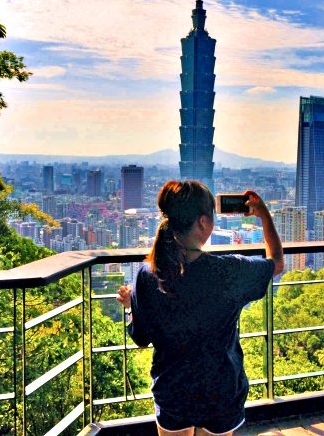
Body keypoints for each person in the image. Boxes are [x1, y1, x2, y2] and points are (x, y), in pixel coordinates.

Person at [116, 181, 284, 436]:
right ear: (203, 222)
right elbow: (277, 263)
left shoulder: (148, 275)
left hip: (172, 392)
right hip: (220, 393)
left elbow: (141, 338)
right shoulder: (229, 271)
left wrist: (132, 307)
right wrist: (263, 215)